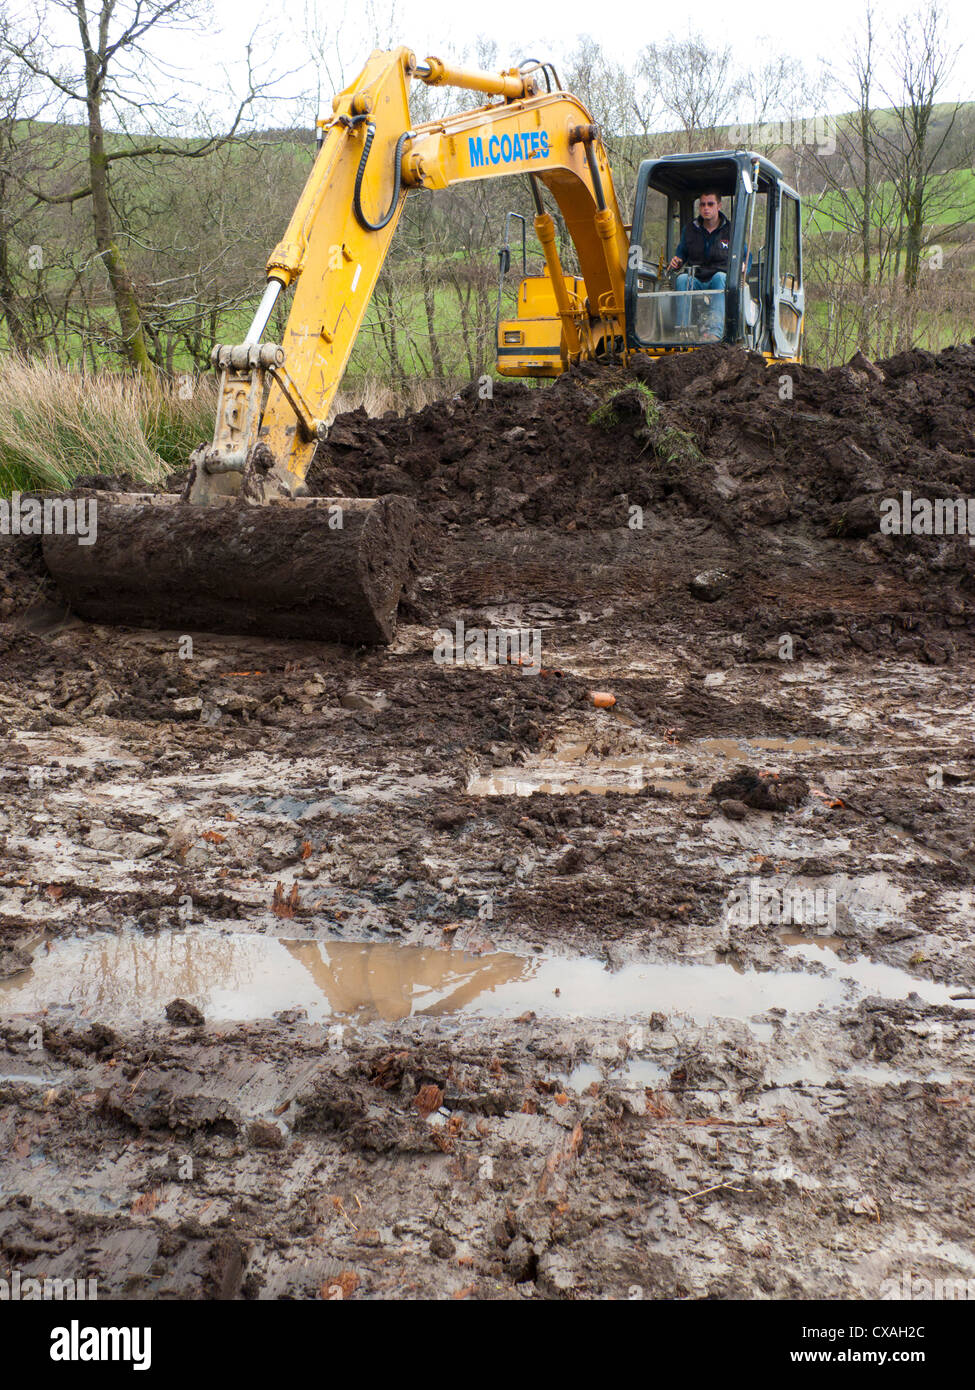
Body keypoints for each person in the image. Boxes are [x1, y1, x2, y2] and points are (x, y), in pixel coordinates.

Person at [667, 191, 730, 339]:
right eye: (702, 204)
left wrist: (744, 264)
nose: (706, 208)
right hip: (697, 279)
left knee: (721, 277)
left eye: (710, 204)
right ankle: (684, 331)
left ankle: (715, 332)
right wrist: (677, 261)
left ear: (719, 206)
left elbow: (746, 254)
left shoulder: (730, 230)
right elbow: (681, 254)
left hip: (719, 280)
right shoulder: (690, 230)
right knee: (682, 279)